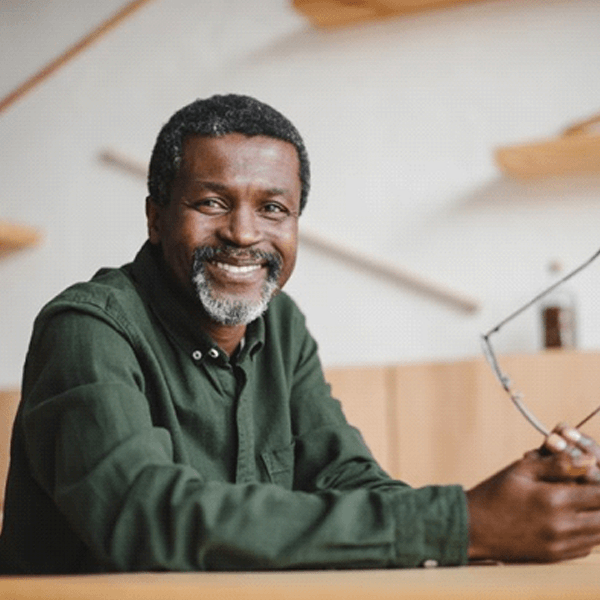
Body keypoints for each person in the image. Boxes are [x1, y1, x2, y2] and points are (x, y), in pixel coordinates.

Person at [1, 94, 600, 574]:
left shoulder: (279, 324)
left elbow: (347, 478)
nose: (243, 233)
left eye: (272, 209)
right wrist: (462, 524)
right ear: (155, 217)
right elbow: (146, 517)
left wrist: (519, 502)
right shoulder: (86, 328)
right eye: (211, 202)